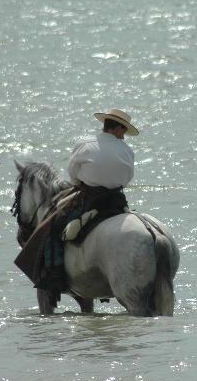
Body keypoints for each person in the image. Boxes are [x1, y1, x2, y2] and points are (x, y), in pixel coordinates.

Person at [40, 109, 139, 290]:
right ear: (117, 129)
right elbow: (127, 178)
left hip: (89, 198)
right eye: (123, 131)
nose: (124, 136)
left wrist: (80, 182)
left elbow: (73, 172)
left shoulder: (84, 144)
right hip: (117, 200)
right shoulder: (127, 150)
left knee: (55, 226)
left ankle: (53, 275)